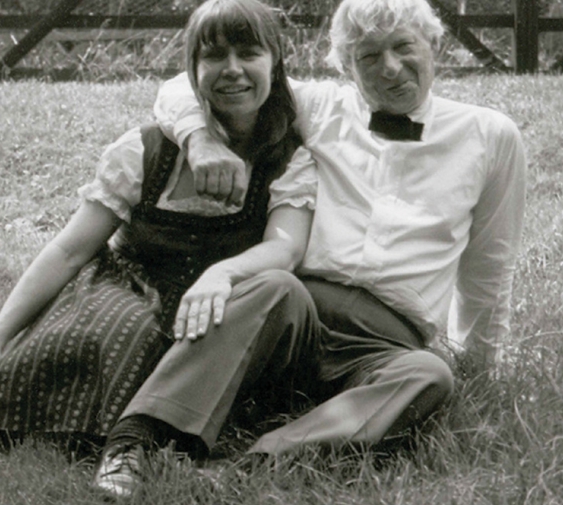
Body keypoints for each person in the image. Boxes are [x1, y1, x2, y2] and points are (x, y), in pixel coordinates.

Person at [0, 0, 318, 474]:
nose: (232, 70)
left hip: (218, 301)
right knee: (109, 331)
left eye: (249, 53)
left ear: (276, 60)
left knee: (181, 344)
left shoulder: (289, 160)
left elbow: (285, 246)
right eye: (213, 56)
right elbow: (68, 250)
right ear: (191, 67)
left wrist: (221, 275)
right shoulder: (147, 149)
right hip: (131, 285)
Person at [101, 0, 526, 493]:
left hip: (385, 343)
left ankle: (251, 466)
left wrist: (482, 375)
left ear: (434, 44)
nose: (389, 67)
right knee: (272, 285)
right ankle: (135, 444)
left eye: (404, 47)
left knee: (429, 374)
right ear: (346, 67)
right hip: (297, 312)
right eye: (368, 57)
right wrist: (201, 140)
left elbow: (489, 269)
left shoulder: (490, 136)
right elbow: (183, 86)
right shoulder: (320, 107)